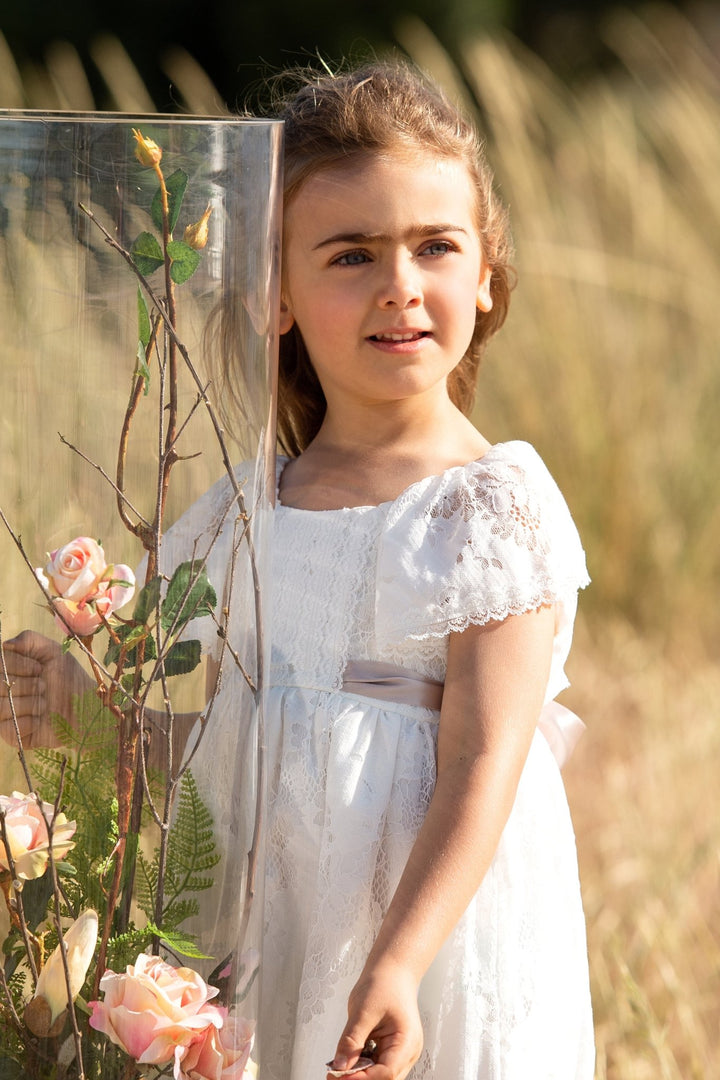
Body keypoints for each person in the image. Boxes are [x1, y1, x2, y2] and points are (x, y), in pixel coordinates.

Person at [1, 61, 595, 1079]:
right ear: (273, 295)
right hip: (266, 916)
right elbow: (234, 751)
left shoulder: (491, 506)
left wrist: (401, 964)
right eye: (351, 254)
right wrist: (88, 719)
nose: (399, 285)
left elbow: (483, 763)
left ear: (486, 276)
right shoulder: (244, 510)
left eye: (434, 247)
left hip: (423, 938)